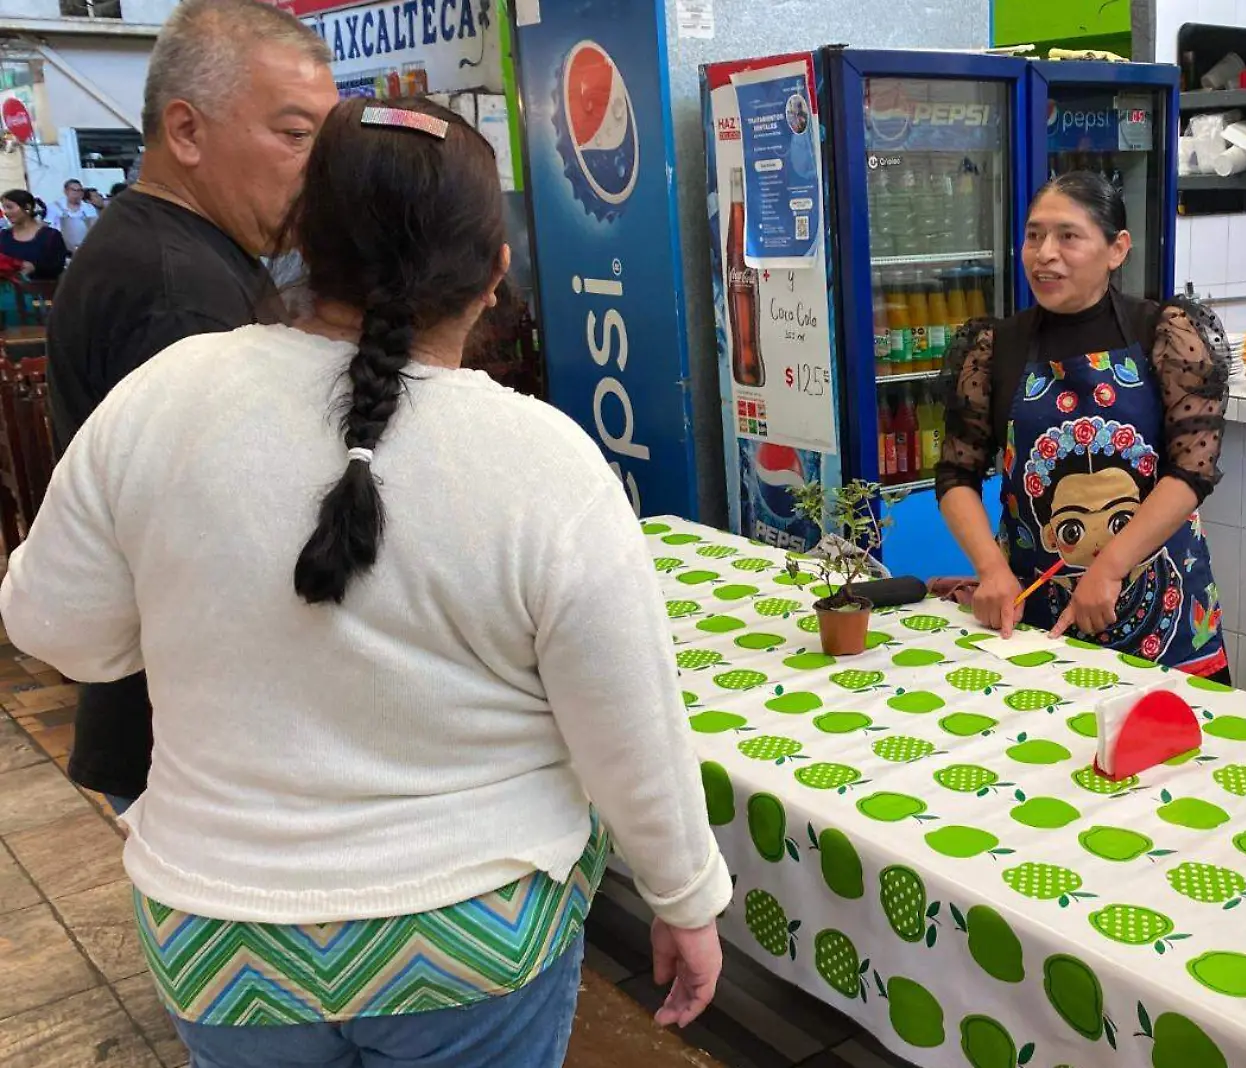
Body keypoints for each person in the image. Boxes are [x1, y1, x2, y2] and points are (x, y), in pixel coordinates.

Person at [0, 96, 729, 1066]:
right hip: (472, 931)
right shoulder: (543, 461)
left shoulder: (162, 399)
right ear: (496, 271)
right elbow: (630, 724)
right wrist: (685, 897)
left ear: (300, 237)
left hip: (223, 937)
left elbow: (55, 628)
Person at [45, 0, 338, 816]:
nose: (317, 167)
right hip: (189, 741)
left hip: (176, 719)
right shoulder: (180, 296)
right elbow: (226, 549)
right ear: (186, 131)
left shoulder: (180, 253)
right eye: (293, 134)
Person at [935, 171, 1233, 679]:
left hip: (1163, 607)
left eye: (1067, 236)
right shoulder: (995, 347)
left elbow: (1191, 474)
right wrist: (990, 569)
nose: (1044, 253)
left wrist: (1110, 567)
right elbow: (956, 474)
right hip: (1033, 617)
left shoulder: (1165, 334)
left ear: (1117, 249)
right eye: (1033, 235)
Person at [0, 190, 69, 281]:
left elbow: (57, 266)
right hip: (10, 292)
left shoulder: (50, 235)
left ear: (27, 207)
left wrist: (34, 267)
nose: (6, 212)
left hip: (43, 291)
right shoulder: (4, 236)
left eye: (10, 207)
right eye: (4, 208)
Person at [47, 177, 99, 249]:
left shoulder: (89, 208)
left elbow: (94, 227)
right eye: (74, 190)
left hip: (85, 245)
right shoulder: (54, 207)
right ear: (66, 191)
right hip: (61, 245)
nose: (77, 193)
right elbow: (49, 227)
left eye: (80, 190)